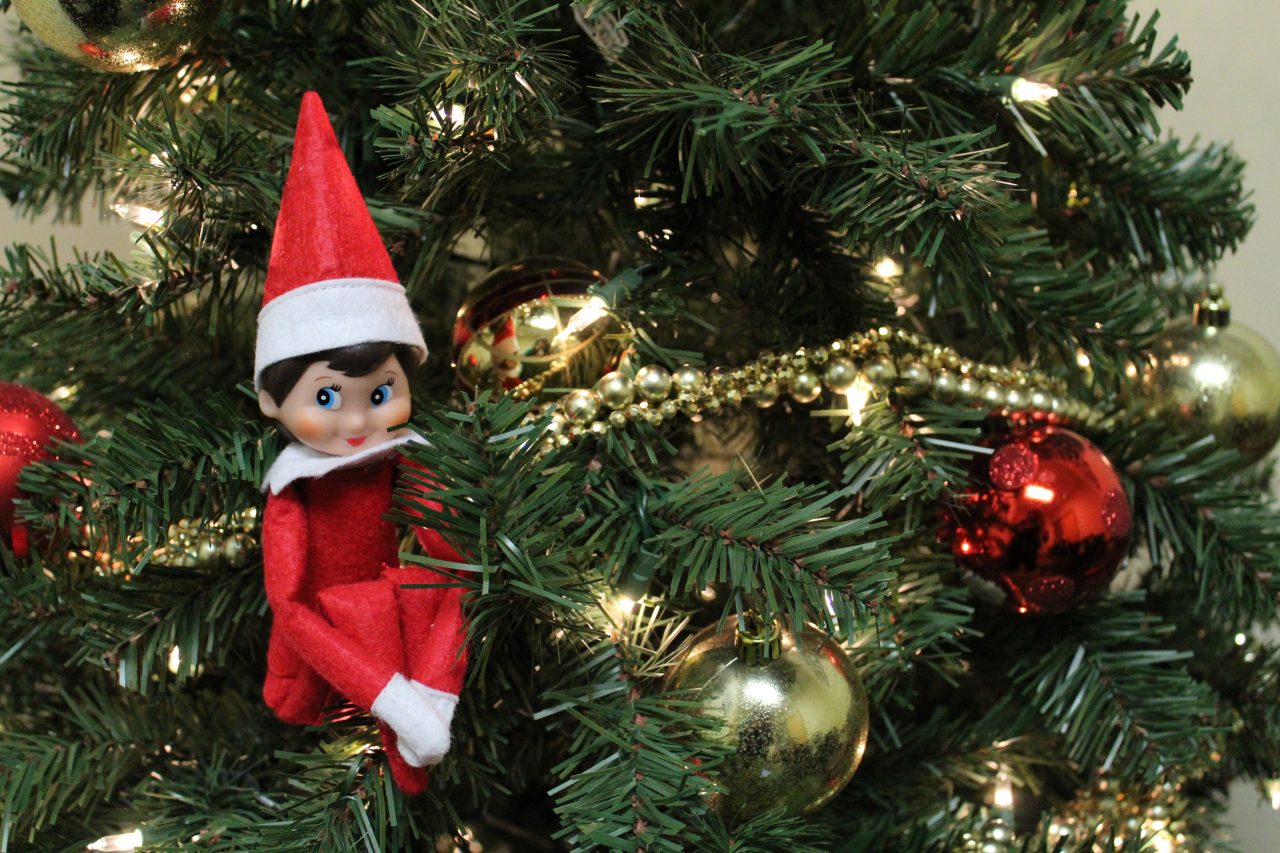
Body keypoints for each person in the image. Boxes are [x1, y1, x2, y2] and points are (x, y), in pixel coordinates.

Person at [253, 91, 466, 794]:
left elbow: (457, 567)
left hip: (403, 623)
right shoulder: (293, 494)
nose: (356, 423)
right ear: (270, 401)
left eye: (380, 393)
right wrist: (394, 699)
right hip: (330, 651)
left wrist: (435, 688)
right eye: (325, 398)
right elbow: (292, 609)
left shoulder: (407, 465)